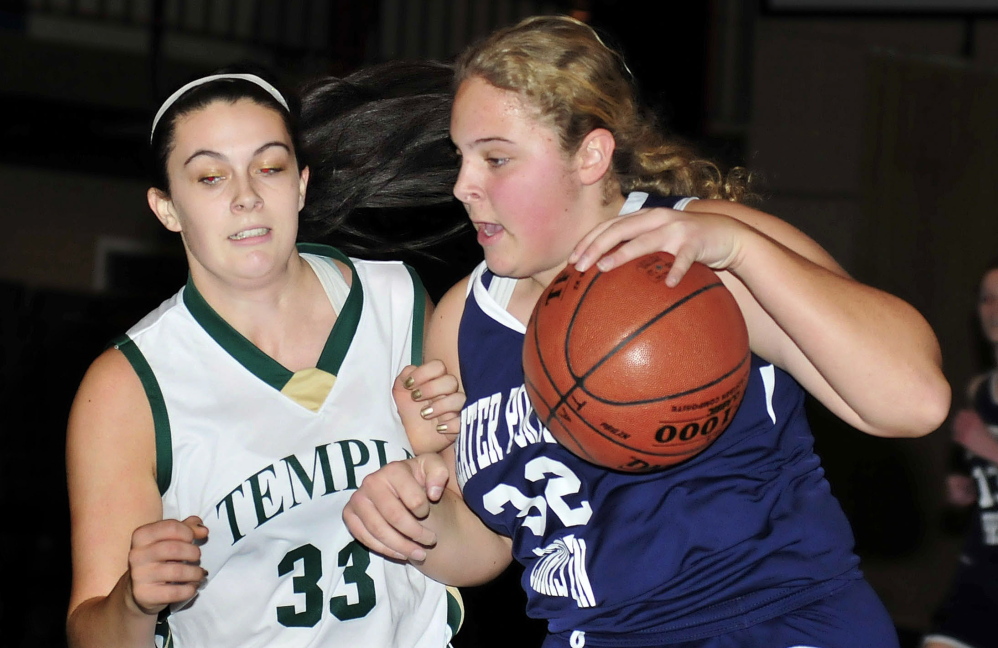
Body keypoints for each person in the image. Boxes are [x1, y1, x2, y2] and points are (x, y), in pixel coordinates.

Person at [343, 14, 952, 648]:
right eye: (462, 158)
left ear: (590, 156)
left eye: (495, 158)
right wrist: (415, 506)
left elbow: (915, 401)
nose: (464, 186)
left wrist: (742, 250)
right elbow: (487, 546)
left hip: (768, 622)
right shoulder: (463, 318)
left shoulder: (700, 248)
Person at [65, 67, 466, 648]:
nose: (246, 195)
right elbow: (90, 632)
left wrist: (440, 457)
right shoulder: (128, 385)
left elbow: (480, 547)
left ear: (301, 185)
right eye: (209, 177)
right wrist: (132, 602)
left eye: (269, 167)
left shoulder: (397, 302)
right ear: (166, 208)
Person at [922, 263, 998, 648]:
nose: (994, 308)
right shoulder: (978, 390)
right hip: (981, 576)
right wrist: (963, 492)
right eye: (986, 298)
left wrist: (991, 450)